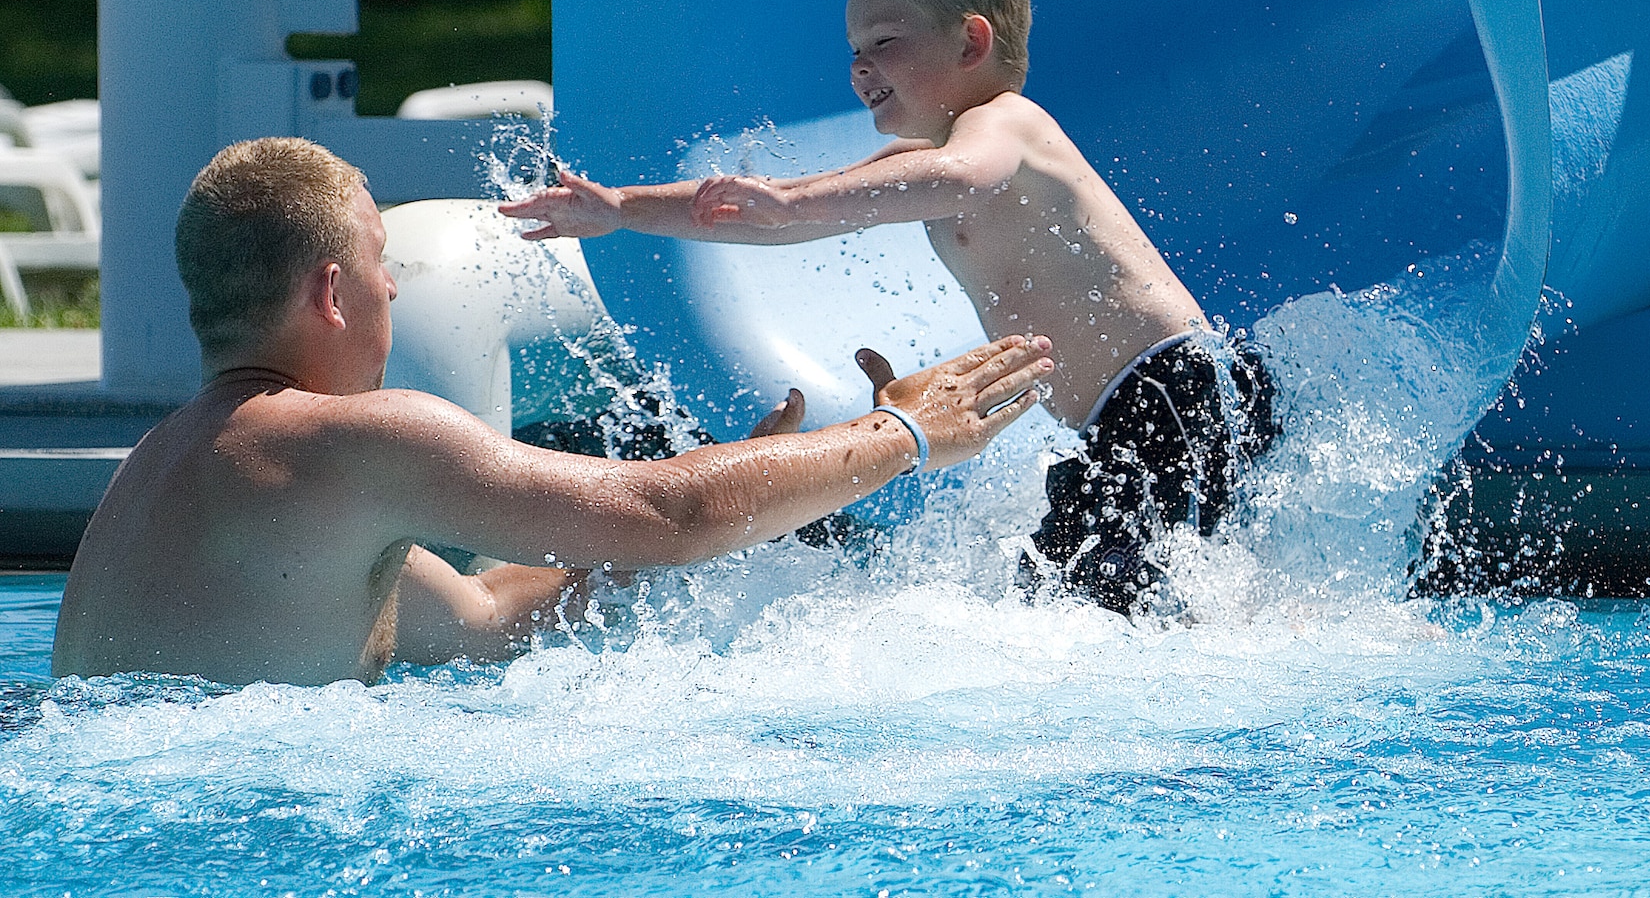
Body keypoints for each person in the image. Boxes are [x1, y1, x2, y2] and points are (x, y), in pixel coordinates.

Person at [500, 0, 1279, 615]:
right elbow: (776, 214)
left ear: (972, 40)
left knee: (1102, 601)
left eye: (884, 41)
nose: (860, 66)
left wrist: (798, 200)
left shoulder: (1007, 123)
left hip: (1178, 395)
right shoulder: (931, 149)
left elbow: (955, 177)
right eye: (854, 47)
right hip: (1138, 417)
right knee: (1065, 594)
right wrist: (619, 210)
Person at [51, 137, 1051, 687]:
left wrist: (741, 502)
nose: (395, 291)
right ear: (329, 293)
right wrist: (905, 431)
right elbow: (666, 515)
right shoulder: (348, 440)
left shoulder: (160, 469)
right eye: (380, 268)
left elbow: (489, 616)